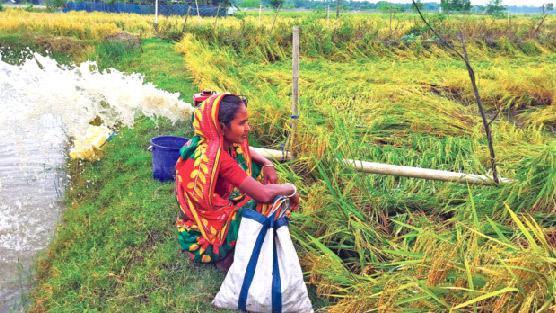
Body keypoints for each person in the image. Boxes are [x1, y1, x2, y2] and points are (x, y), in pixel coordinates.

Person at [175, 93, 299, 272]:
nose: (248, 128)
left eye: (247, 121)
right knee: (268, 202)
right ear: (222, 126)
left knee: (252, 164)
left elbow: (248, 150)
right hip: (202, 238)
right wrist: (292, 189)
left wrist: (267, 162)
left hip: (194, 223)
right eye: (241, 124)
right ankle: (225, 252)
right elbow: (262, 194)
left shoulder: (206, 142)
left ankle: (234, 245)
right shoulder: (219, 158)